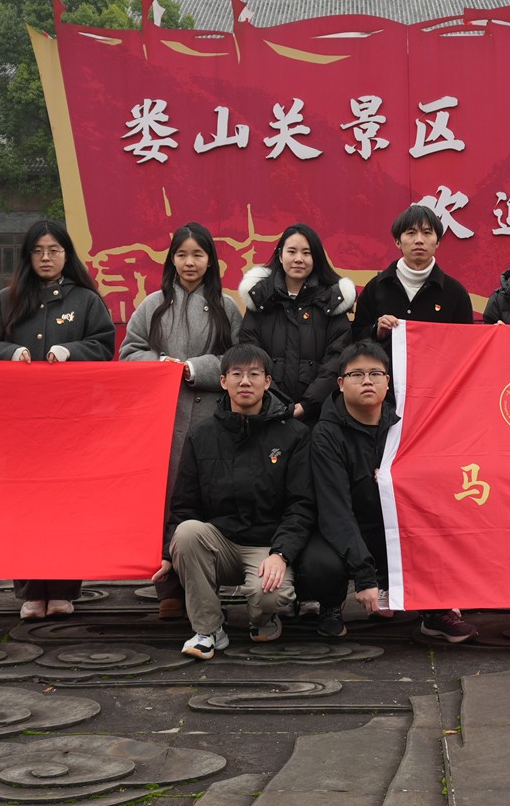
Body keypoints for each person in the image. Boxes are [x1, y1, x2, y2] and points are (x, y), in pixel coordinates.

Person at [0, 219, 116, 620]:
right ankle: (31, 590)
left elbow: (104, 345)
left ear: (66, 254)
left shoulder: (86, 301)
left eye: (54, 250)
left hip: (71, 424)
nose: (46, 257)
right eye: (38, 251)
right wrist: (9, 353)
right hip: (19, 426)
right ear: (27, 256)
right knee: (25, 506)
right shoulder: (5, 300)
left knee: (67, 506)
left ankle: (65, 589)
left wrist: (72, 351)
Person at [304, 340, 478, 643]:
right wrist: (364, 576)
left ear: (388, 382)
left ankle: (434, 613)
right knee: (318, 565)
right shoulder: (325, 433)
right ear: (341, 384)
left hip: (396, 525)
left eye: (375, 374)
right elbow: (335, 510)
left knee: (440, 528)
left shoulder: (406, 425)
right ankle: (331, 605)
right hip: (347, 527)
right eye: (357, 374)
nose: (367, 381)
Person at [155, 344, 314, 658]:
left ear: (267, 381)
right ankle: (208, 628)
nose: (245, 382)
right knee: (185, 534)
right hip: (220, 543)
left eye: (254, 374)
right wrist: (167, 555)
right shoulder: (202, 435)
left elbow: (301, 505)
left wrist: (281, 553)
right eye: (236, 374)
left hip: (267, 546)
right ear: (223, 381)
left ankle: (263, 617)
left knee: (270, 597)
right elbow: (184, 505)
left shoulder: (293, 434)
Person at [120, 222, 243, 619]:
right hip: (163, 420)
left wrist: (193, 368)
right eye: (182, 255)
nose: (190, 263)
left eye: (198, 255)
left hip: (212, 418)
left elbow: (238, 359)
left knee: (207, 499)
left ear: (210, 260)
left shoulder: (226, 307)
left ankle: (205, 587)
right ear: (171, 259)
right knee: (167, 498)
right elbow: (128, 353)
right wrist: (160, 364)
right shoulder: (152, 305)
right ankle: (168, 588)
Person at [236, 224, 356, 424]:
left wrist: (306, 405)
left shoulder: (332, 302)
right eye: (291, 251)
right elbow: (250, 354)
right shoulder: (260, 299)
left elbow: (337, 360)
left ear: (316, 258)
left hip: (319, 416)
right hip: (265, 413)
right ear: (280, 256)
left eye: (306, 253)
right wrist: (276, 403)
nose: (299, 259)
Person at [351, 204, 475, 341]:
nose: (419, 240)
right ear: (397, 242)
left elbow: (467, 342)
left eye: (427, 233)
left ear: (438, 242)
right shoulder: (376, 287)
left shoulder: (455, 293)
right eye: (411, 233)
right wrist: (377, 331)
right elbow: (356, 337)